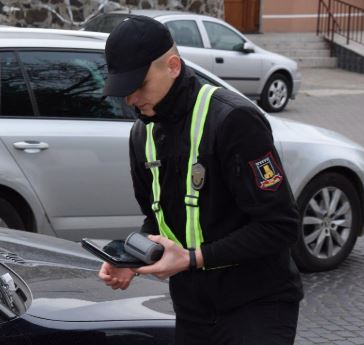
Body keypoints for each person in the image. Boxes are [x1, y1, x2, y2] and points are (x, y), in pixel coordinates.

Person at [98, 16, 304, 345]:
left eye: (139, 85)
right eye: (124, 89)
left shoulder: (234, 120)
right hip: (194, 308)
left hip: (257, 305)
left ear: (173, 66)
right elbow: (157, 219)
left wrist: (194, 258)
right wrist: (131, 259)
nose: (131, 99)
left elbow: (281, 225)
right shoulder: (142, 134)